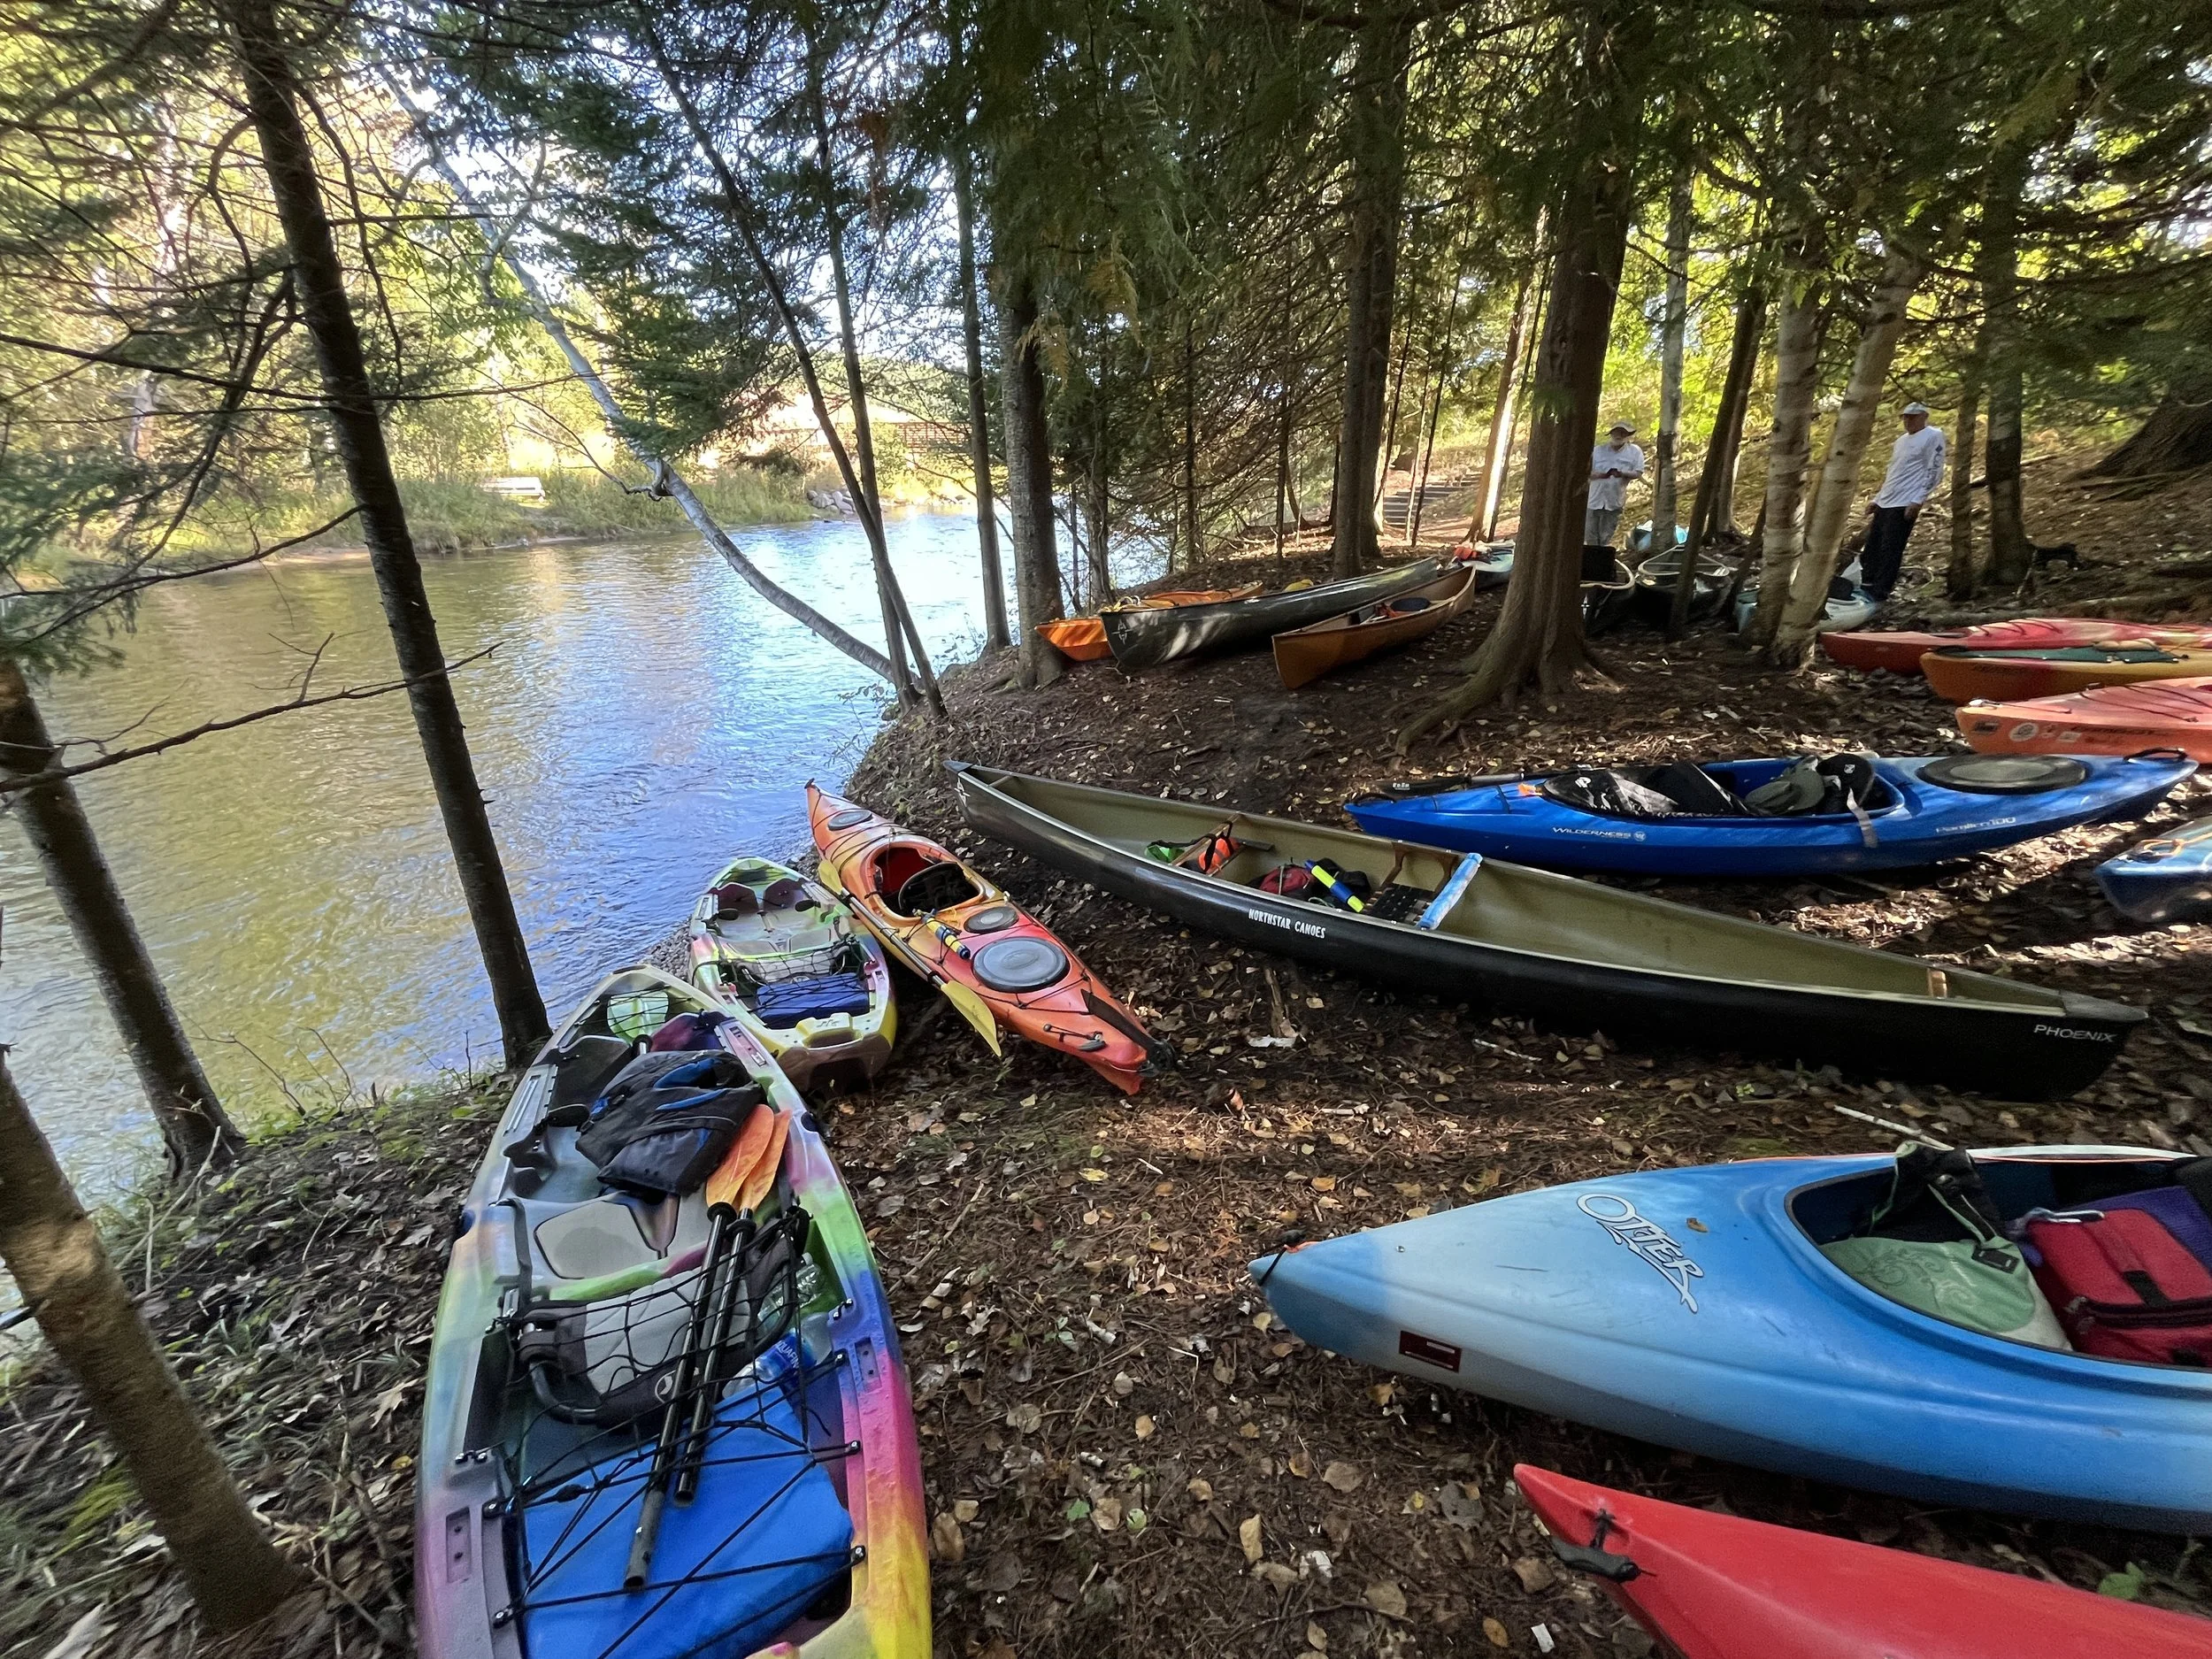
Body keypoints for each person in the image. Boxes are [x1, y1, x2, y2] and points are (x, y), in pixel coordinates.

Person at [1861, 401, 1947, 602]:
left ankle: (1881, 590)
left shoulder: (1933, 436)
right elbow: (1894, 471)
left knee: (1891, 548)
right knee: (1873, 545)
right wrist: (1877, 498)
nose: (1908, 421)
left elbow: (1934, 470)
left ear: (1924, 416)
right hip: (1886, 500)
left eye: (1913, 417)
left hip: (1905, 502)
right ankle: (1866, 583)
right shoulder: (1901, 441)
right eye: (1905, 417)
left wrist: (1918, 500)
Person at [1586, 423, 1645, 548]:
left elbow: (1638, 472)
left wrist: (1622, 473)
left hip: (1614, 499)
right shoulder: (1597, 451)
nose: (1619, 435)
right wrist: (1599, 475)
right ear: (1611, 434)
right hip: (1594, 499)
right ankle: (1591, 562)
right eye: (1617, 432)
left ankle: (1601, 561)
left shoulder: (1635, 452)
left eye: (1623, 433)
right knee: (1590, 534)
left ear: (1628, 435)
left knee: (1606, 536)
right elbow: (1586, 472)